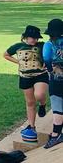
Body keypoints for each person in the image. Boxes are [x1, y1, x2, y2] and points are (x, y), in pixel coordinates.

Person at [3, 25, 49, 143]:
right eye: (31, 37)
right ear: (25, 37)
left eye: (36, 38)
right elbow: (6, 55)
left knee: (39, 95)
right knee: (30, 102)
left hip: (40, 75)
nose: (34, 40)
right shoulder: (18, 46)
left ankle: (43, 104)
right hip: (25, 77)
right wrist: (18, 62)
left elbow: (50, 54)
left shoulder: (42, 45)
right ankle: (32, 126)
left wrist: (47, 62)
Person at [43, 18, 63, 149]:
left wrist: (50, 70)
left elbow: (46, 58)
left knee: (57, 105)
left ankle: (56, 135)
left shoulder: (49, 44)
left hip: (56, 77)